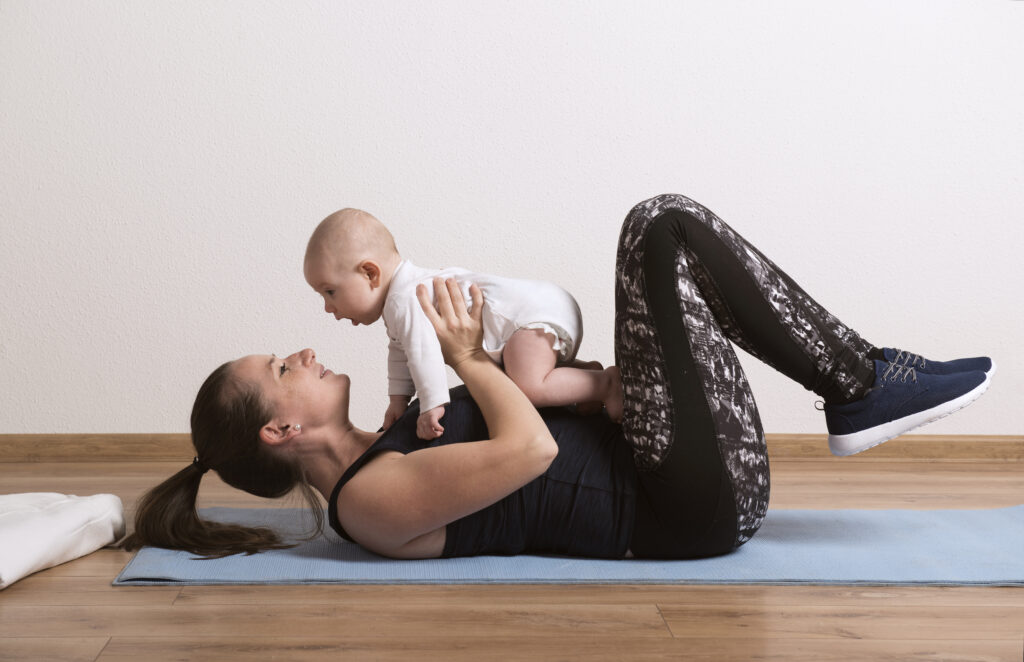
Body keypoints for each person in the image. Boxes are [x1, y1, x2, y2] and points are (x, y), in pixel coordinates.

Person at [123, 194, 994, 560]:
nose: (305, 351)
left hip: (668, 456)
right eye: (283, 368)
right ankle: (859, 385)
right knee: (655, 227)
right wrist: (467, 359)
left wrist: (560, 366)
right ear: (281, 431)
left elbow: (531, 401)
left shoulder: (399, 430)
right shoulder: (366, 504)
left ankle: (864, 379)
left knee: (666, 229)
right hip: (686, 504)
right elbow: (532, 448)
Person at [302, 208, 623, 440]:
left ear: (370, 274)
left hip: (532, 317)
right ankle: (583, 376)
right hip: (546, 306)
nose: (329, 307)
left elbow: (421, 352)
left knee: (526, 386)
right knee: (512, 376)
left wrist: (432, 405)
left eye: (330, 291)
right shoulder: (401, 299)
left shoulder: (405, 299)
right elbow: (400, 350)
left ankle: (606, 384)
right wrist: (397, 401)